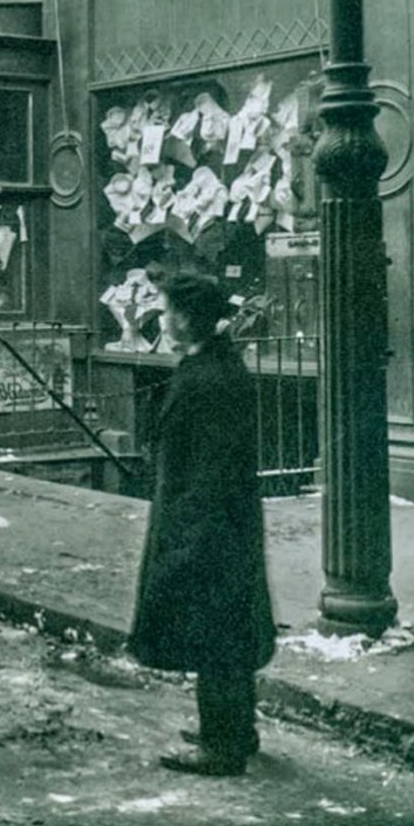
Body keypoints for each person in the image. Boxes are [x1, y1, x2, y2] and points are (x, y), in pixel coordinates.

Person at [127, 272, 275, 777]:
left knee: (215, 633)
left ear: (186, 318)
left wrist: (189, 538)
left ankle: (223, 744)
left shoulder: (210, 379)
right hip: (216, 521)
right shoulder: (211, 365)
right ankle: (237, 729)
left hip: (207, 524)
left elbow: (210, 468)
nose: (161, 318)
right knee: (225, 629)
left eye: (167, 310)